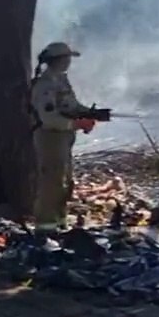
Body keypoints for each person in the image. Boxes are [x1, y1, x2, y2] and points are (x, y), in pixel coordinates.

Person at [29, 42, 110, 231]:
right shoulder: (44, 85)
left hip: (64, 137)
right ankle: (45, 226)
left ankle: (59, 220)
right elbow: (48, 118)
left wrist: (91, 113)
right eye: (65, 59)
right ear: (56, 60)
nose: (68, 62)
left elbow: (71, 106)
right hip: (50, 138)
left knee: (65, 180)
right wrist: (76, 124)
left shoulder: (61, 80)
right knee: (52, 181)